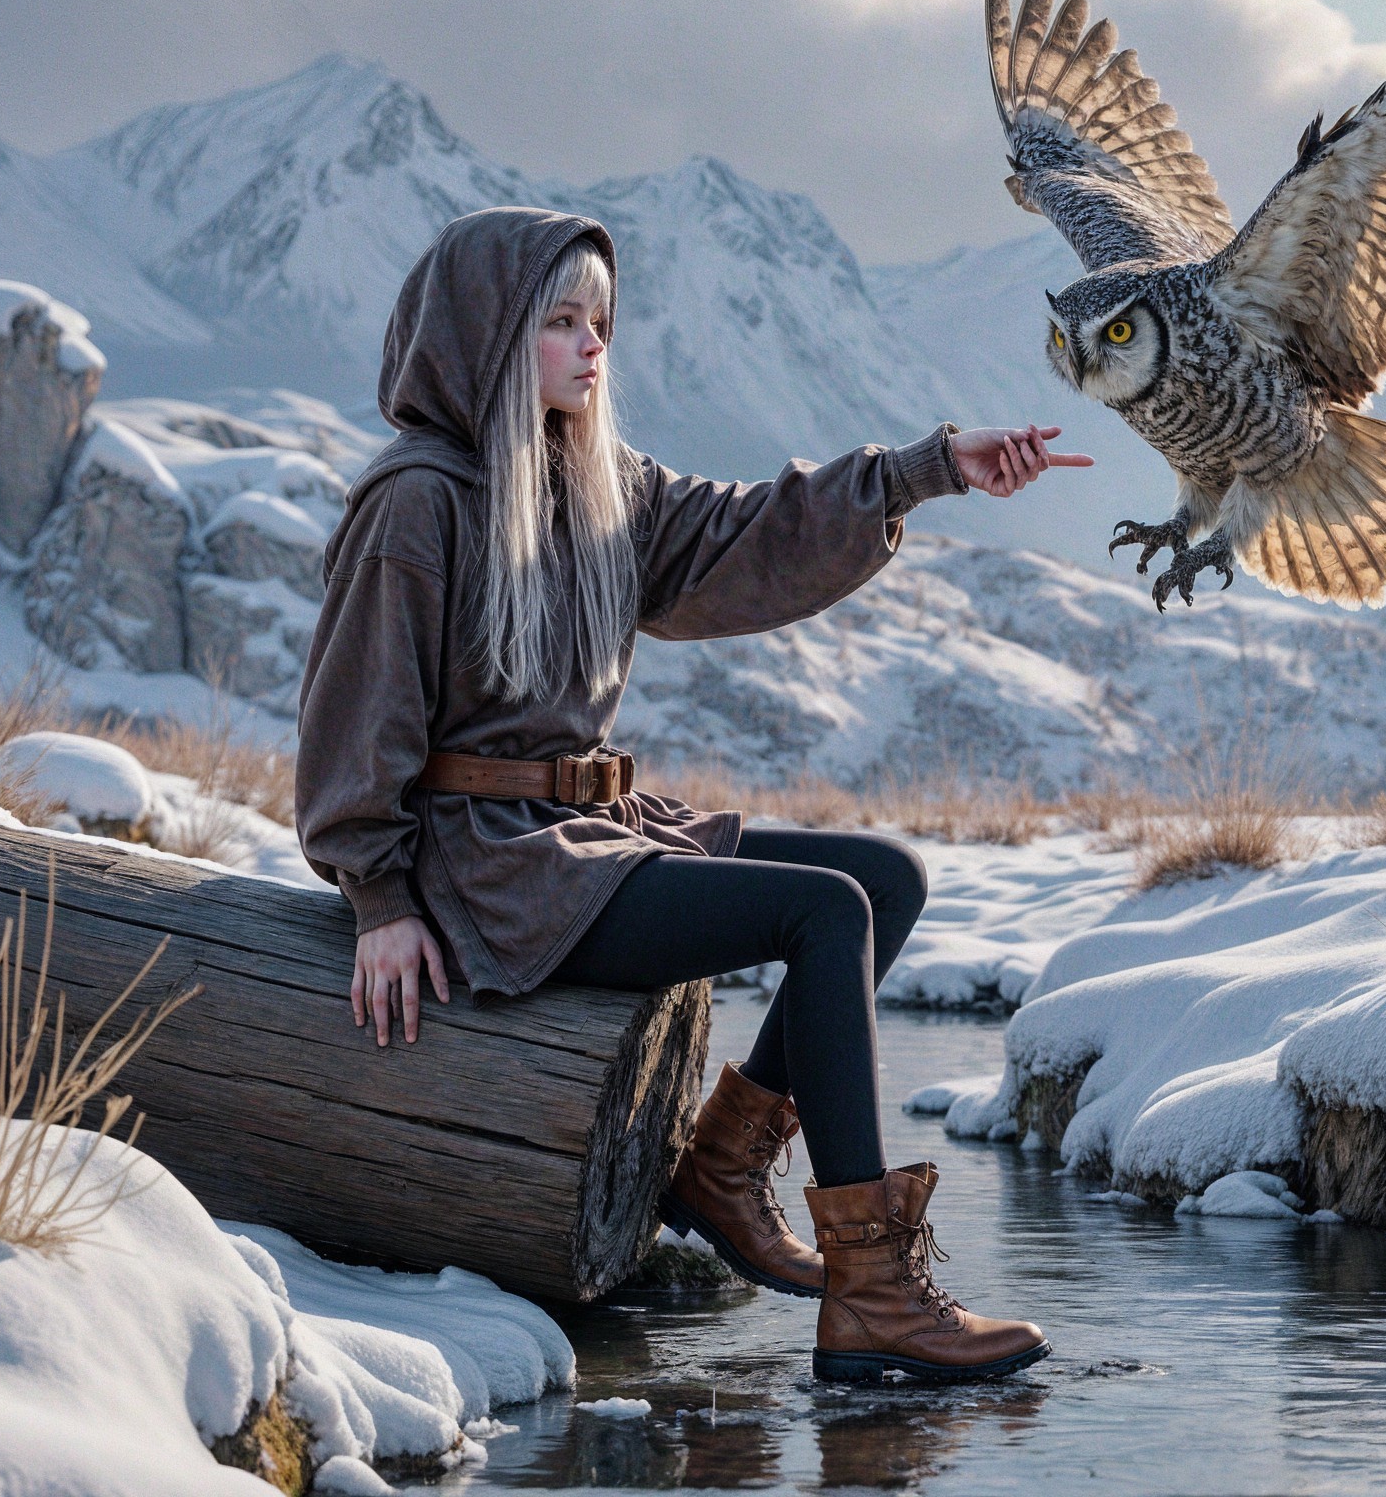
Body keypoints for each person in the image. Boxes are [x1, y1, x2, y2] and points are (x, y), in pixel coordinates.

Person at [293, 206, 1089, 1384]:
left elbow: (743, 532)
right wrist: (377, 896)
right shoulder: (419, 498)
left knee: (885, 877)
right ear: (485, 333)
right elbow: (357, 713)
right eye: (559, 320)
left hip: (583, 837)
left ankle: (721, 1164)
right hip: (488, 867)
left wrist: (930, 470)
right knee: (820, 912)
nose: (591, 344)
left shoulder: (600, 482)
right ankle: (873, 1286)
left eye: (600, 321)